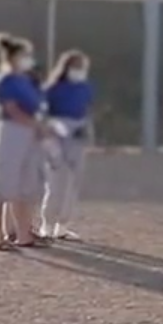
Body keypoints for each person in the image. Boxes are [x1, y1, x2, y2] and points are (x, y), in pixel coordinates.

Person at [0, 32, 45, 251]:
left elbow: (36, 105)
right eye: (24, 55)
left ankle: (24, 234)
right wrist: (36, 126)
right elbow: (11, 109)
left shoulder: (25, 80)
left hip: (29, 132)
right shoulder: (5, 80)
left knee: (27, 183)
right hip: (12, 131)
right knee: (3, 182)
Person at [37, 49, 92, 241]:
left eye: (82, 68)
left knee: (73, 180)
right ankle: (47, 223)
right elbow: (42, 113)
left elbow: (86, 111)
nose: (80, 71)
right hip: (55, 130)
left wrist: (87, 131)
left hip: (76, 132)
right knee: (55, 180)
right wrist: (47, 135)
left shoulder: (85, 87)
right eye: (76, 67)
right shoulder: (52, 89)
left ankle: (62, 225)